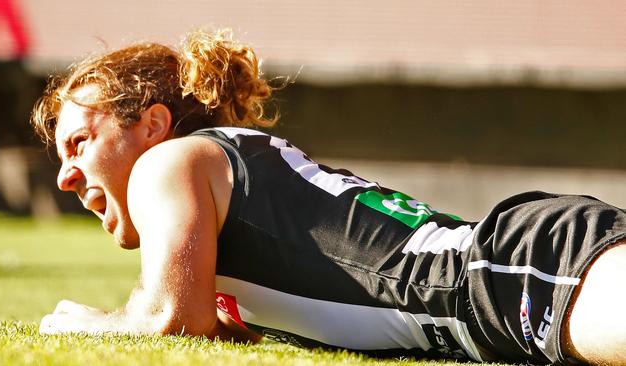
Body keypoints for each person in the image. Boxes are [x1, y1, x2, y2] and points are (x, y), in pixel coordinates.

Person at [31, 29, 626, 365]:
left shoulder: (168, 162)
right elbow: (205, 323)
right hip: (515, 274)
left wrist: (92, 322)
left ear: (153, 124)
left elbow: (169, 319)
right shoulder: (217, 173)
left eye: (79, 143)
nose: (66, 176)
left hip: (514, 275)